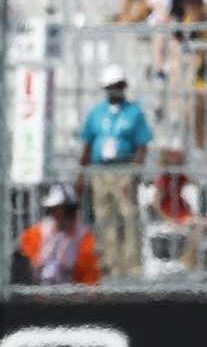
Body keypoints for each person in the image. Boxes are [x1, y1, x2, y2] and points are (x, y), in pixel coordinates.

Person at [77, 65, 153, 279]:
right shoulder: (96, 112)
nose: (115, 90)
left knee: (128, 215)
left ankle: (132, 266)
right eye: (111, 86)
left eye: (118, 86)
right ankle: (111, 263)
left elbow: (142, 146)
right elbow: (87, 144)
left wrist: (134, 173)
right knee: (104, 216)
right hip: (101, 170)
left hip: (124, 168)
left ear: (124, 87)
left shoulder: (134, 112)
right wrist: (81, 174)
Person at [15, 185, 101, 286]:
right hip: (36, 293)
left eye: (72, 209)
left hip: (69, 295)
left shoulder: (84, 238)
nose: (70, 215)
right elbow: (21, 270)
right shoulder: (35, 234)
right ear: (53, 211)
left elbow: (90, 280)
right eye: (66, 210)